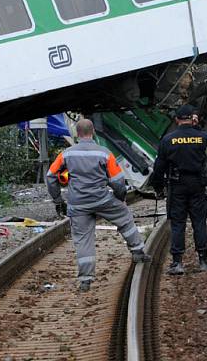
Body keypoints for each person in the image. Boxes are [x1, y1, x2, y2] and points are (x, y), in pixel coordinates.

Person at [46, 118, 151, 292]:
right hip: (102, 199)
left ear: (77, 134)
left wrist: (58, 200)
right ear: (93, 131)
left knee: (83, 239)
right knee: (124, 217)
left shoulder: (66, 154)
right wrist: (120, 197)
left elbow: (50, 176)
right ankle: (138, 251)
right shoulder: (104, 153)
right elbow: (117, 180)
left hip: (78, 204)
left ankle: (86, 280)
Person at [150, 104, 207, 275]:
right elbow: (205, 138)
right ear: (192, 118)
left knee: (178, 223)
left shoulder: (168, 140)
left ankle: (177, 262)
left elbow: (159, 168)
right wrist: (196, 126)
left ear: (176, 120)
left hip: (177, 186)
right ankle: (203, 261)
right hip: (197, 185)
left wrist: (158, 187)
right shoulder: (202, 137)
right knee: (199, 221)